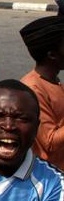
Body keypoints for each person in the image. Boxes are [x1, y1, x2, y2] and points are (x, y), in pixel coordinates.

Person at [20, 16, 64, 170]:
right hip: (53, 178)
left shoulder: (53, 80)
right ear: (52, 54)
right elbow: (50, 142)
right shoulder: (33, 88)